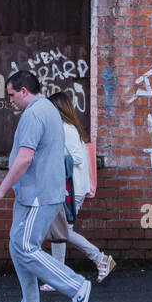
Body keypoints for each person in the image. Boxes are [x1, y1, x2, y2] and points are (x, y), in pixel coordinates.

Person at [0, 70, 90, 302]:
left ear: (24, 91)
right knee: (17, 245)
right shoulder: (48, 109)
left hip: (38, 195)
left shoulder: (34, 114)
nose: (10, 100)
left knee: (25, 247)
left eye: (12, 94)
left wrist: (0, 190)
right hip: (33, 193)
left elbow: (24, 158)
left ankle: (76, 286)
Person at [39, 90, 116, 289]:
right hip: (69, 188)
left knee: (61, 231)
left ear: (58, 109)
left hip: (72, 189)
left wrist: (51, 160)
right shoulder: (65, 128)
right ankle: (60, 276)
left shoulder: (67, 129)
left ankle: (100, 259)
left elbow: (77, 158)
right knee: (58, 233)